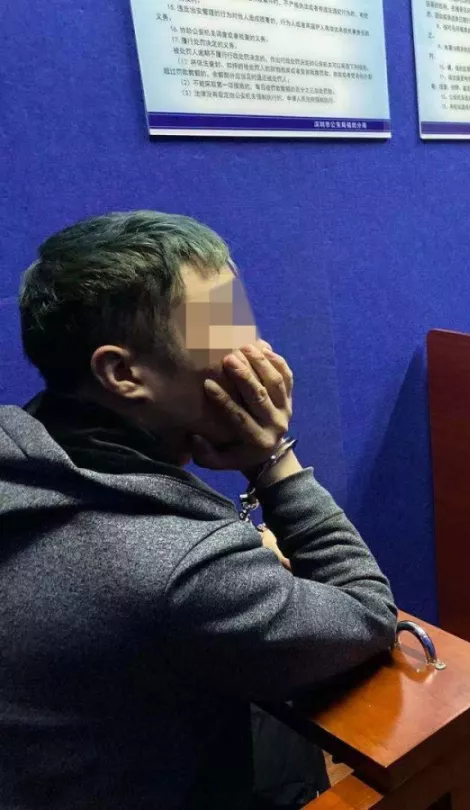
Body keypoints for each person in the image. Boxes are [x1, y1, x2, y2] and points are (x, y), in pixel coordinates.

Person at [0, 211, 398, 809]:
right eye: (222, 325)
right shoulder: (180, 568)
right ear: (122, 373)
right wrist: (272, 462)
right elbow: (367, 615)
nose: (257, 351)